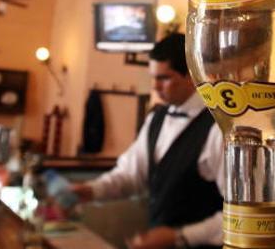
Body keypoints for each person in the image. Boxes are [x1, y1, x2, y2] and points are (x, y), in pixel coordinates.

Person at [71, 33, 224, 249]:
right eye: (153, 77)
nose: (155, 87)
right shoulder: (156, 118)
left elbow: (240, 212)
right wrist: (90, 190)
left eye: (164, 78)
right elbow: (131, 174)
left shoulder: (218, 127)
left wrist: (181, 236)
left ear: (192, 75)